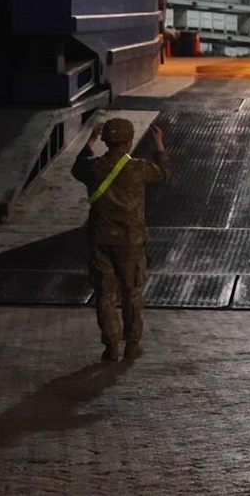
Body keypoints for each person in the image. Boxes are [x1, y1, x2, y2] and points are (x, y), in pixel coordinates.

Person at [70, 114, 170, 362]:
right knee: (132, 293)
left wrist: (91, 138)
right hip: (131, 242)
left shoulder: (92, 168)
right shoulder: (139, 168)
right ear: (129, 142)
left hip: (101, 240)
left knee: (105, 295)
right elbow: (164, 174)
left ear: (106, 141)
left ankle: (111, 347)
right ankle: (133, 344)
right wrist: (159, 145)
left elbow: (77, 166)